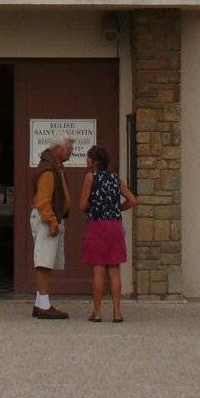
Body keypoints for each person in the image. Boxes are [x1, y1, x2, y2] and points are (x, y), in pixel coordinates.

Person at [77, 145, 136, 322]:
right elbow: (133, 200)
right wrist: (118, 208)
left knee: (98, 268)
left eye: (89, 158)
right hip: (115, 225)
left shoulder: (90, 177)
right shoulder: (115, 178)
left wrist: (92, 208)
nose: (86, 161)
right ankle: (117, 313)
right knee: (115, 269)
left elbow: (82, 205)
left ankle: (96, 312)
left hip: (98, 225)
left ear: (95, 162)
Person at [28, 137, 74, 320]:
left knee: (46, 260)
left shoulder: (54, 167)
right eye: (69, 148)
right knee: (44, 261)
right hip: (47, 219)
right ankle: (44, 305)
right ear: (58, 149)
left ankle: (40, 303)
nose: (71, 151)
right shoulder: (48, 170)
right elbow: (43, 200)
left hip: (51, 218)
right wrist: (52, 221)